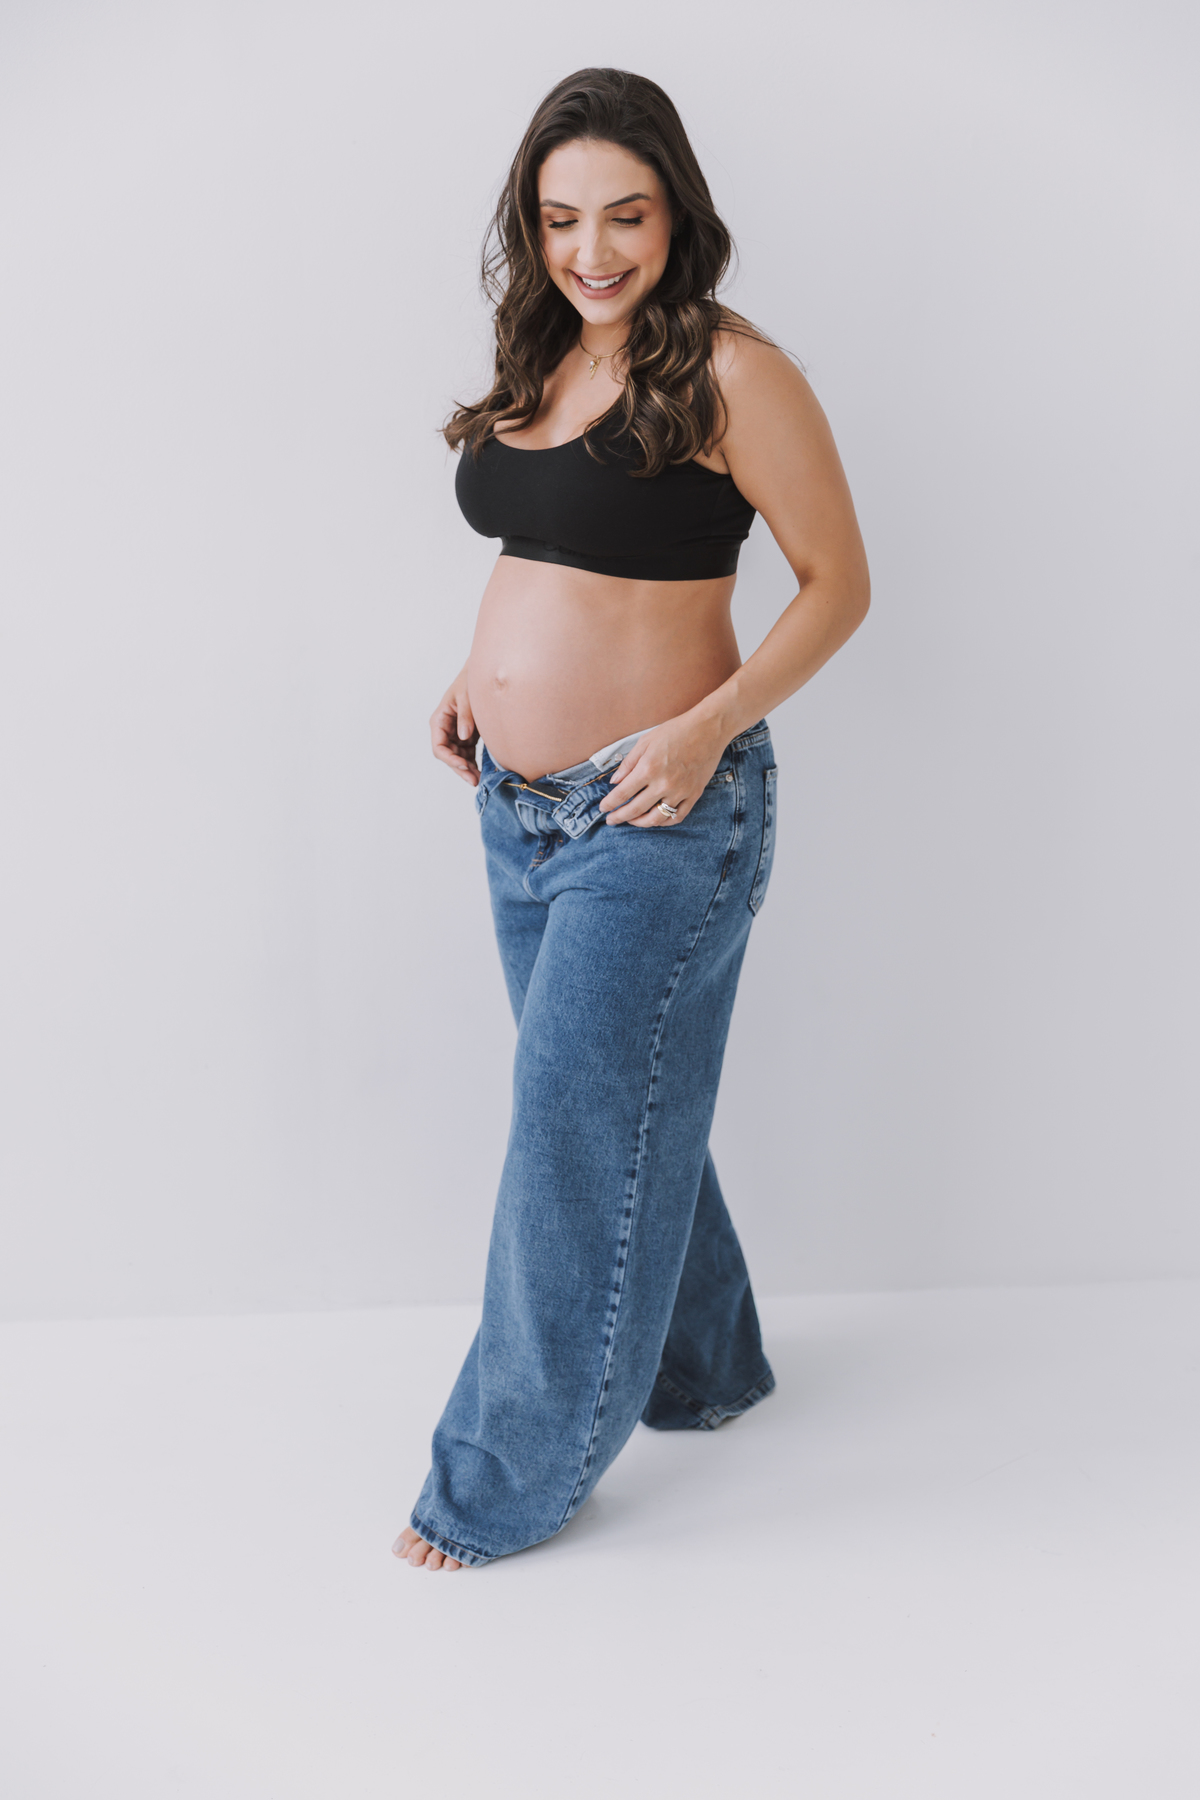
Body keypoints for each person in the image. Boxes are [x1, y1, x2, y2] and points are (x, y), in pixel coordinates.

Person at [394, 67, 869, 1570]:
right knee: (604, 1101)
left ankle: (494, 1483)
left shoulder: (734, 371)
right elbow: (553, 548)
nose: (591, 251)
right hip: (515, 807)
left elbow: (839, 586)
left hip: (662, 808)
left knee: (568, 1130)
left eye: (624, 216)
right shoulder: (542, 351)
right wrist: (481, 671)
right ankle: (703, 1364)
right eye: (559, 220)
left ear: (677, 213)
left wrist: (708, 722)